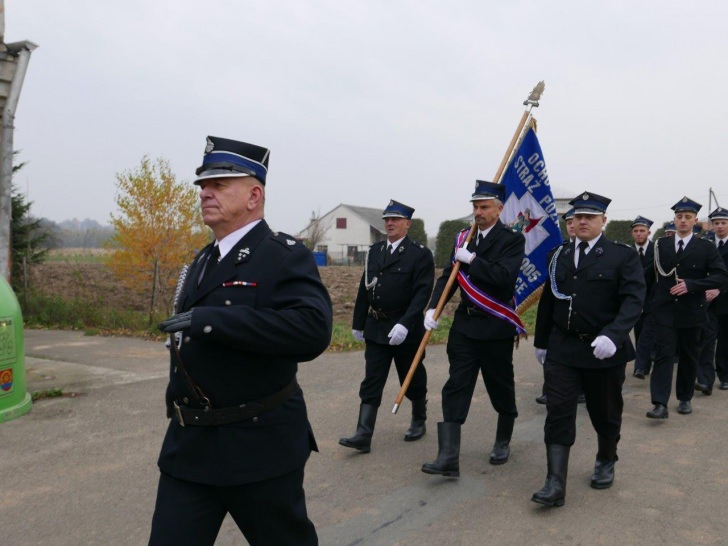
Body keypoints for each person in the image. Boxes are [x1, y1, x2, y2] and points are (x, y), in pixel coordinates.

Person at [150, 136, 333, 546]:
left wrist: (214, 322)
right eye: (202, 186)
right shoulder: (203, 259)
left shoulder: (283, 255)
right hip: (191, 447)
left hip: (257, 446)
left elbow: (312, 330)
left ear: (254, 195)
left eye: (219, 184)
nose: (205, 193)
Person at [531, 191, 645, 507]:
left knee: (605, 412)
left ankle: (606, 458)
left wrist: (614, 335)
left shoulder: (621, 256)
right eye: (577, 217)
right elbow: (549, 302)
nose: (582, 221)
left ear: (602, 221)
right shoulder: (558, 255)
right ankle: (555, 483)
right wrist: (541, 341)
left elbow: (634, 300)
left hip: (603, 350)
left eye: (589, 217)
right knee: (558, 412)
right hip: (564, 349)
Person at [421, 180, 525, 477]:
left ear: (499, 209)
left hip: (495, 329)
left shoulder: (511, 240)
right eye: (475, 207)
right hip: (465, 327)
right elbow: (448, 277)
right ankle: (448, 457)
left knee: (500, 386)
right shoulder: (463, 238)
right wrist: (433, 307)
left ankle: (503, 439)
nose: (478, 212)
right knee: (456, 385)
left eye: (484, 207)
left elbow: (504, 278)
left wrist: (474, 261)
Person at [339, 200, 435, 452]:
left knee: (411, 375)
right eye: (387, 219)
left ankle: (418, 419)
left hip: (406, 328)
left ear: (407, 224)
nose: (389, 223)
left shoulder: (419, 254)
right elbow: (365, 288)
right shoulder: (375, 251)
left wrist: (406, 323)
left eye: (395, 219)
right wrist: (358, 322)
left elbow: (422, 293)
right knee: (372, 379)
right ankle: (363, 433)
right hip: (377, 326)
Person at [647, 197, 728, 419]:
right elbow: (649, 276)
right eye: (679, 217)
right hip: (664, 310)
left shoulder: (705, 247)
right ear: (674, 219)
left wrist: (692, 285)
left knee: (689, 356)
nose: (683, 221)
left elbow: (721, 275)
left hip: (692, 311)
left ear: (695, 221)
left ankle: (684, 398)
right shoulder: (660, 245)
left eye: (688, 217)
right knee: (663, 356)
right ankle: (660, 403)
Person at [536, 207, 575, 405]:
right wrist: (540, 340)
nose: (573, 226)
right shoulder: (556, 254)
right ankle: (548, 389)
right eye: (568, 223)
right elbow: (547, 298)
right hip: (558, 318)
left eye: (575, 221)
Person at [696, 207, 728, 394]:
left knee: (724, 341)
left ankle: (724, 376)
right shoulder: (706, 244)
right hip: (707, 300)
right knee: (706, 341)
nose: (720, 226)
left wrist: (719, 289)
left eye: (723, 223)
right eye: (716, 223)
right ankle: (705, 380)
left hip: (725, 300)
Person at [630, 216, 656, 379]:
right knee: (639, 333)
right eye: (636, 231)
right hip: (635, 300)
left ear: (648, 232)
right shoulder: (628, 252)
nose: (639, 234)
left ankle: (639, 366)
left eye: (642, 231)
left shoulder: (657, 250)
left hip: (653, 299)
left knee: (647, 332)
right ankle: (644, 365)